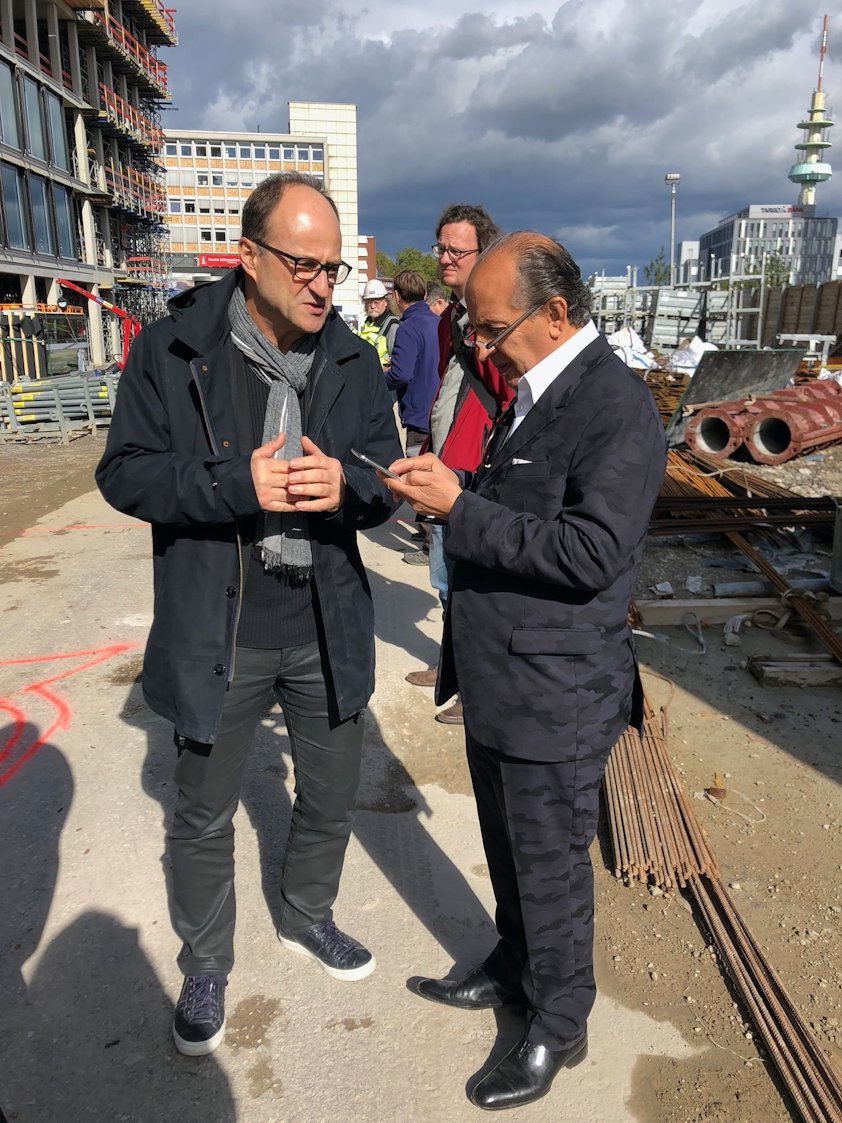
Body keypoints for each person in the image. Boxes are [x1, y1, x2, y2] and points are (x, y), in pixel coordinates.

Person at [96, 172, 402, 1058]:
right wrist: (238, 485)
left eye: (332, 269)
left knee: (331, 793)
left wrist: (350, 485)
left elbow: (383, 478)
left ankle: (308, 914)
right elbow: (126, 473)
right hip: (216, 629)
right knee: (201, 814)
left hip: (323, 623)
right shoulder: (172, 350)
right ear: (250, 255)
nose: (319, 284)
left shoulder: (353, 359)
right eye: (302, 264)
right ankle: (205, 963)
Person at [383, 231, 667, 1111]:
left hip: (557, 692)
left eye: (493, 327)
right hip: (503, 678)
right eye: (473, 326)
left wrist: (460, 510)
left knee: (549, 866)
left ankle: (558, 1022)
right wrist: (451, 486)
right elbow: (520, 506)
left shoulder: (613, 407)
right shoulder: (534, 392)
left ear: (554, 313)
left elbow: (590, 552)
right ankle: (514, 966)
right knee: (507, 851)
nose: (479, 343)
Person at [403, 204, 512, 727]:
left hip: (478, 472)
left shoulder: (496, 319)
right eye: (439, 247)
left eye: (455, 250)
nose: (443, 257)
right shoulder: (451, 318)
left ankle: (479, 689)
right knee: (446, 578)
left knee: (472, 585)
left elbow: (509, 395)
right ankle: (453, 666)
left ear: (483, 253)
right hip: (448, 461)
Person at [385, 270, 440, 456]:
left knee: (417, 477)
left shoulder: (407, 328)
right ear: (424, 295)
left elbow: (401, 374)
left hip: (419, 418)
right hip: (442, 413)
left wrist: (379, 380)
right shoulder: (441, 323)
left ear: (396, 296)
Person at [358, 278, 400, 370]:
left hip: (382, 381)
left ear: (385, 302)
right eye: (369, 302)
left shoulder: (392, 326)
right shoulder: (368, 323)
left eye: (376, 302)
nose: (373, 306)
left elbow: (398, 362)